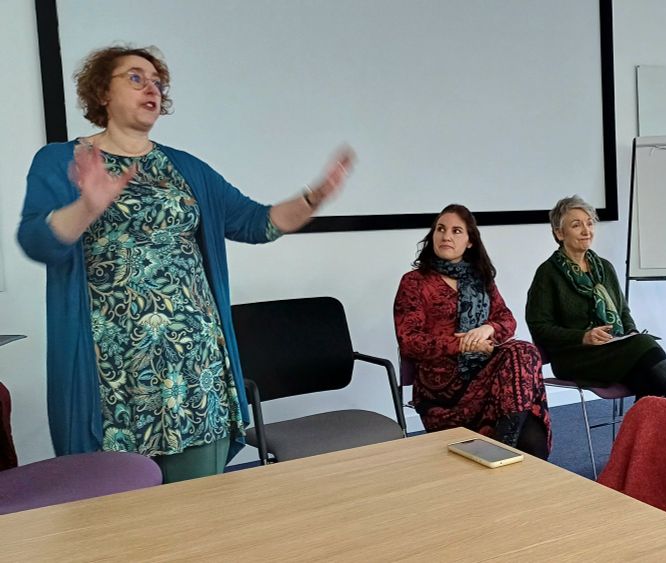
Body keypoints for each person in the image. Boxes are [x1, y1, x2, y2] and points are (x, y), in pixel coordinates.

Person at [17, 45, 354, 483]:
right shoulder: (61, 161)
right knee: (115, 504)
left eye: (157, 82)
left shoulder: (185, 168)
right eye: (135, 77)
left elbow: (256, 222)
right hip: (112, 376)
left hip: (195, 366)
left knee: (200, 506)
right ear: (102, 92)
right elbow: (37, 241)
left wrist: (313, 197)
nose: (151, 88)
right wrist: (88, 206)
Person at [393, 204, 551, 459]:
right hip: (441, 390)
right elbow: (410, 341)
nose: (446, 236)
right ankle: (503, 449)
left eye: (456, 231)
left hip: (486, 380)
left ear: (469, 242)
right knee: (521, 360)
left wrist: (488, 328)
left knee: (533, 437)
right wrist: (463, 344)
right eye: (441, 229)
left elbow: (507, 321)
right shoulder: (414, 282)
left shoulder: (481, 279)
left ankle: (504, 445)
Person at [525, 195, 666, 403]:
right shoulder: (548, 273)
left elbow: (623, 312)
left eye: (590, 223)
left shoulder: (604, 267)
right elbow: (539, 327)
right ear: (559, 233)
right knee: (645, 349)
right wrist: (583, 337)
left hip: (614, 349)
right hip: (574, 356)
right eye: (576, 225)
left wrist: (631, 333)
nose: (586, 231)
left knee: (649, 376)